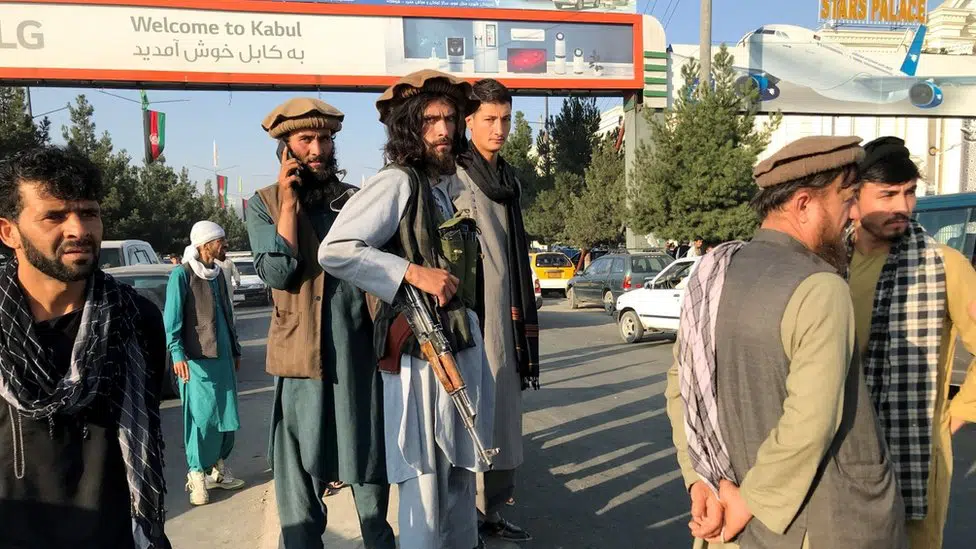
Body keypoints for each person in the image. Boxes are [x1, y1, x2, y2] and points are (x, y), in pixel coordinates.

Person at [665, 136, 907, 548]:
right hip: (821, 524)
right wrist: (747, 502)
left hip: (731, 517)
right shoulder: (820, 286)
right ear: (804, 204)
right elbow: (810, 422)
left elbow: (681, 387)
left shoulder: (714, 274)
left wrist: (700, 482)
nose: (854, 214)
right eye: (846, 199)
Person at [318, 69, 495, 549]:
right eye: (431, 120)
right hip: (419, 356)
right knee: (424, 488)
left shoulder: (442, 186)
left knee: (459, 480)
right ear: (410, 128)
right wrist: (411, 273)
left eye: (450, 119)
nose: (443, 130)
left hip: (457, 347)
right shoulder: (397, 181)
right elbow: (336, 250)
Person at [0, 146, 170, 548]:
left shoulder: (135, 319)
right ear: (9, 232)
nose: (79, 229)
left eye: (89, 213)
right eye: (55, 216)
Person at [246, 97, 394, 549]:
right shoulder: (264, 204)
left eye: (324, 139)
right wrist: (288, 207)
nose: (317, 149)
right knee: (300, 484)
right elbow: (277, 273)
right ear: (285, 150)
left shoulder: (354, 200)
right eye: (305, 140)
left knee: (369, 472)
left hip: (358, 354)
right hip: (300, 360)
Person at [847, 136, 976, 549]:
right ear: (853, 199)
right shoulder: (828, 263)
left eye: (909, 193)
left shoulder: (944, 266)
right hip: (842, 448)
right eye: (887, 195)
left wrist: (958, 412)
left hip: (915, 450)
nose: (903, 207)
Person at [454, 78, 536, 543]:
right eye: (490, 119)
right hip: (471, 315)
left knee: (504, 411)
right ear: (469, 122)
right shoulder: (455, 175)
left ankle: (491, 513)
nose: (499, 128)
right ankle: (464, 516)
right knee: (470, 415)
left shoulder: (508, 179)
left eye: (505, 119)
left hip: (506, 316)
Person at [164, 221, 245, 506]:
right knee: (200, 420)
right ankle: (196, 473)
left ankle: (216, 470)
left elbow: (227, 315)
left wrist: (235, 350)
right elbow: (172, 320)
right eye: (221, 241)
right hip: (196, 361)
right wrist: (176, 353)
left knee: (225, 415)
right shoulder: (182, 275)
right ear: (205, 244)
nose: (225, 245)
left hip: (222, 358)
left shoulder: (218, 274)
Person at [214, 254, 241, 319]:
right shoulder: (214, 261)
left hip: (228, 286)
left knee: (230, 302)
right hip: (217, 285)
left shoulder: (229, 262)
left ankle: (231, 319)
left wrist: (237, 280)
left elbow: (235, 272)